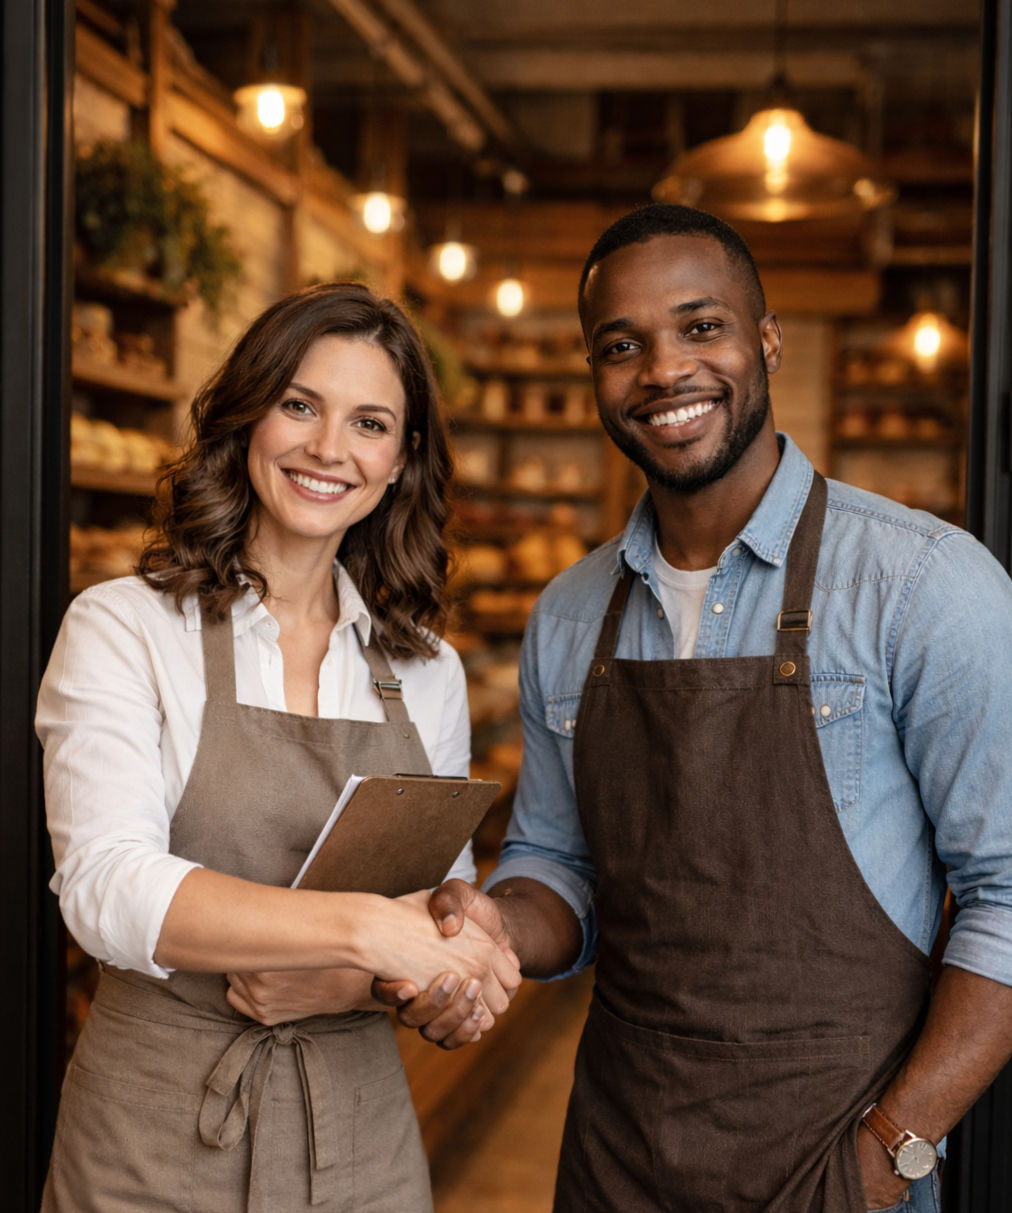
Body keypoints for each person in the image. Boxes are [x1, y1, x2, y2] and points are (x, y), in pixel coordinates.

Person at [379, 205, 1012, 1212]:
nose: (663, 369)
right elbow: (558, 864)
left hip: (833, 1167)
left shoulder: (922, 584)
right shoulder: (572, 612)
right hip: (619, 1158)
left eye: (700, 326)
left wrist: (889, 1152)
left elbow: (1007, 898)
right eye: (620, 344)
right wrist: (488, 927)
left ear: (766, 341)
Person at [36, 281, 521, 1213]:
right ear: (250, 414)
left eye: (370, 422)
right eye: (300, 404)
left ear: (402, 459)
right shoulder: (125, 628)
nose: (329, 447)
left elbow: (430, 899)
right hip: (152, 1138)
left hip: (361, 1148)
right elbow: (105, 884)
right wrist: (364, 929)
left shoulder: (427, 671)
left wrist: (439, 957)